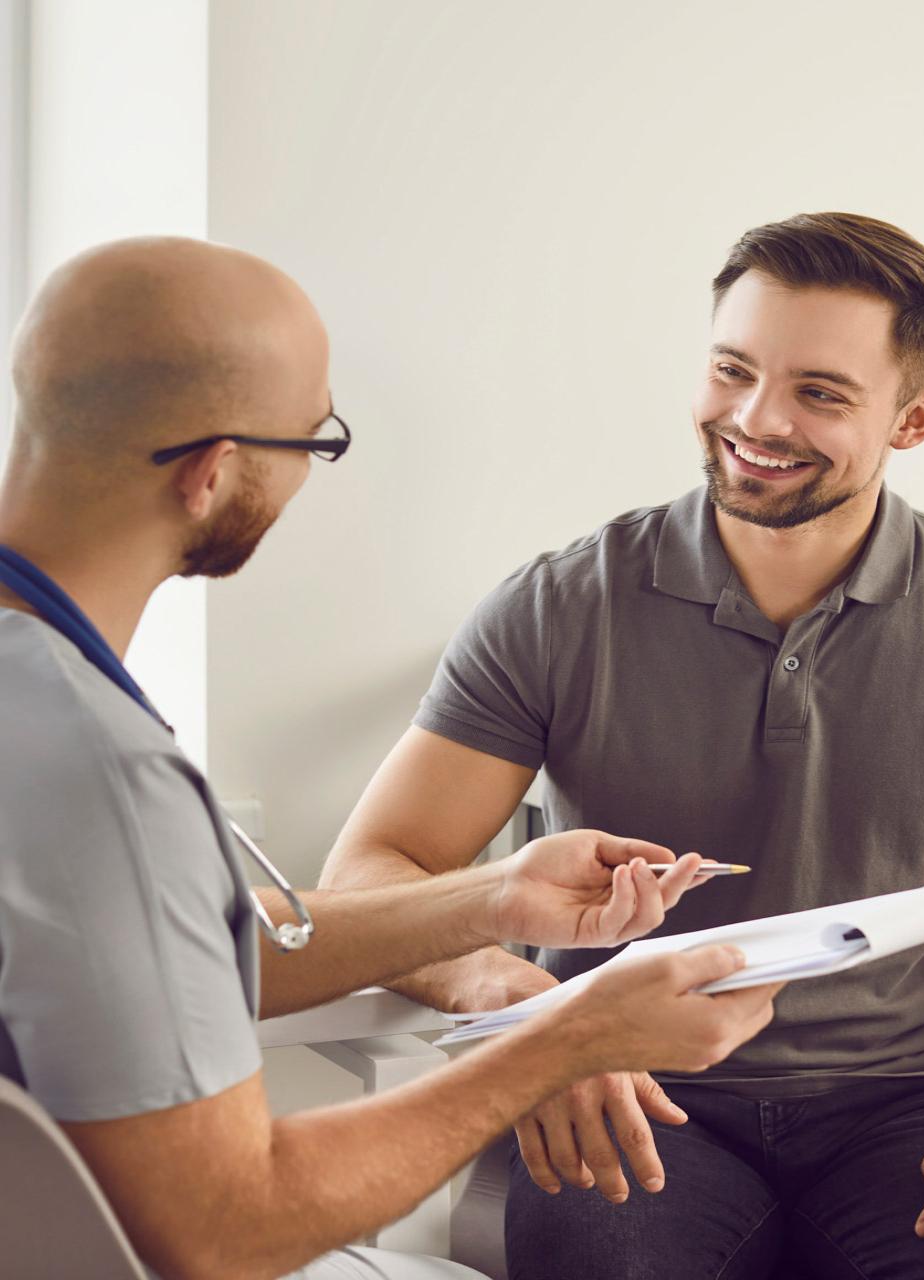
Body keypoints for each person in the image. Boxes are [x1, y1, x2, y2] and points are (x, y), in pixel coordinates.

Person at [0, 236, 781, 1280]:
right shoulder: (100, 769)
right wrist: (564, 1038)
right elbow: (225, 1227)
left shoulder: (44, 706)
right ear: (211, 470)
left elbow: (166, 954)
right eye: (317, 440)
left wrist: (492, 898)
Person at [320, 211, 924, 1279]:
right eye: (731, 369)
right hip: (629, 1087)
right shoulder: (557, 607)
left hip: (900, 1104)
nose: (754, 418)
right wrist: (534, 1015)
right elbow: (375, 872)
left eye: (818, 392)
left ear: (912, 418)